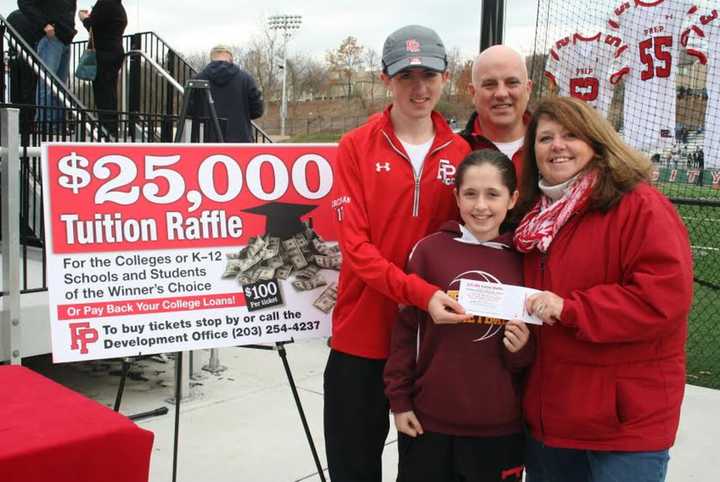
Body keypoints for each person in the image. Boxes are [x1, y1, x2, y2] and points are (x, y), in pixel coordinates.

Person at [513, 96, 693, 482]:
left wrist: (571, 309)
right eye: (545, 138)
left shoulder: (639, 205)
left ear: (595, 142)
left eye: (570, 135)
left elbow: (663, 298)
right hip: (553, 419)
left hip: (622, 426)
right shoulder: (533, 219)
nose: (557, 145)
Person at [325, 24, 471, 482]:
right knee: (353, 468)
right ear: (386, 79)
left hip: (429, 343)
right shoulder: (355, 146)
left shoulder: (462, 151)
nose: (419, 87)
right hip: (362, 336)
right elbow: (357, 250)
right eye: (406, 75)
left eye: (429, 74)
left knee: (425, 472)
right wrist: (420, 293)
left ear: (446, 77)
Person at [384, 149, 532, 482]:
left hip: (499, 428)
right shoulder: (430, 251)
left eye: (493, 194)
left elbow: (534, 350)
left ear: (512, 199)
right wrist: (400, 401)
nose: (481, 205)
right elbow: (407, 334)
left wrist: (521, 349)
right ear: (456, 197)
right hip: (429, 421)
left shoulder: (524, 261)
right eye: (470, 194)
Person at [460, 45, 532, 184]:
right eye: (490, 84)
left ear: (528, 89)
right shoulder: (452, 152)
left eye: (512, 83)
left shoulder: (554, 148)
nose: (501, 94)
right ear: (473, 92)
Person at [18, 0, 77, 124]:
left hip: (65, 37)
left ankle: (57, 125)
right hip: (51, 38)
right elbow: (24, 3)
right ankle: (46, 124)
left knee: (60, 87)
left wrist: (71, 29)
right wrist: (44, 25)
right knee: (47, 84)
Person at [189, 45, 264, 143]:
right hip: (240, 140)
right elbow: (257, 110)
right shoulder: (246, 79)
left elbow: (189, 110)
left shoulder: (197, 80)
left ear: (212, 59)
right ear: (231, 59)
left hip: (206, 140)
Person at [78, 0, 127, 138]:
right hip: (115, 51)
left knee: (103, 93)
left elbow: (93, 25)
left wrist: (84, 18)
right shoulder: (118, 6)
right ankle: (110, 128)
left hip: (104, 53)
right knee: (110, 93)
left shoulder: (106, 3)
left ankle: (107, 129)